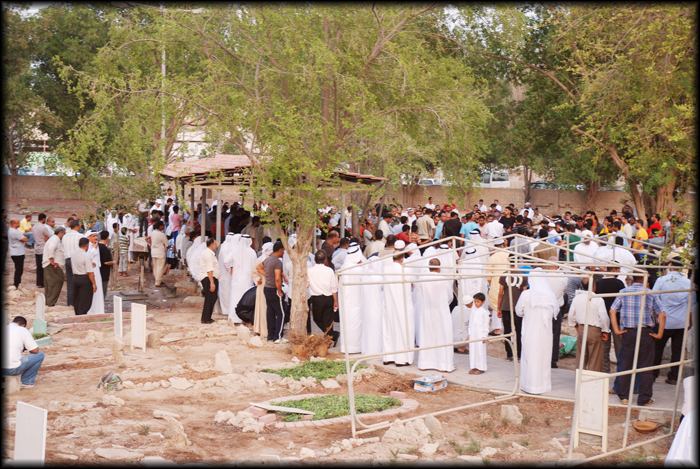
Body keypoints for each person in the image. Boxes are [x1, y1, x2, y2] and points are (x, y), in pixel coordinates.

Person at [609, 274, 666, 406]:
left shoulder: (623, 292)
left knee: (625, 363)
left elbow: (612, 311)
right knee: (646, 366)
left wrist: (617, 330)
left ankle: (624, 396)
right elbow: (662, 315)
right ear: (645, 280)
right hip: (646, 333)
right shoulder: (650, 293)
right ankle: (643, 399)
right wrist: (659, 334)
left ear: (632, 279)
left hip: (629, 332)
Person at [651, 259, 696, 385]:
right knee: (677, 350)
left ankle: (653, 374)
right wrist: (690, 321)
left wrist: (656, 315)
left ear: (670, 265)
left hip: (664, 321)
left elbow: (654, 298)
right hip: (681, 321)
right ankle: (673, 377)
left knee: (657, 348)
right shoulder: (688, 283)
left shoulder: (662, 280)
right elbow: (691, 304)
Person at [515, 270, 560, 394]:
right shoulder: (550, 295)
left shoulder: (526, 294)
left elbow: (518, 311)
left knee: (529, 357)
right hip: (545, 333)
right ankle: (543, 386)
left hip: (530, 331)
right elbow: (555, 313)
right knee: (543, 358)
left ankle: (528, 385)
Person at [416, 258, 455, 373]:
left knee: (427, 336)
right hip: (441, 311)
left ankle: (424, 363)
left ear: (429, 267)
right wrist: (443, 304)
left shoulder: (422, 279)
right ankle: (443, 365)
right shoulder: (443, 280)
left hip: (427, 310)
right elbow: (450, 297)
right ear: (439, 268)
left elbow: (419, 293)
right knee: (442, 337)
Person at [568, 279, 611, 372]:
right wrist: (605, 331)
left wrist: (575, 325)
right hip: (594, 330)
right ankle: (592, 379)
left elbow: (571, 315)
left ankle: (579, 378)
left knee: (581, 356)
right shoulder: (598, 299)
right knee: (595, 357)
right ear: (594, 286)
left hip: (582, 329)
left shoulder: (577, 298)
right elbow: (604, 317)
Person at [382, 252, 415, 367]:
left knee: (389, 329)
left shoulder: (386, 270)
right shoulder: (405, 270)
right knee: (403, 329)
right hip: (402, 304)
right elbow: (411, 284)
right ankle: (402, 359)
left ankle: (388, 357)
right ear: (402, 260)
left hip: (389, 303)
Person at [595, 265, 627, 374]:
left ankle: (605, 369)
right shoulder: (619, 284)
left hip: (602, 319)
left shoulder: (598, 283)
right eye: (618, 270)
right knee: (619, 346)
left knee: (604, 346)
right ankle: (621, 370)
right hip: (617, 319)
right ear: (614, 270)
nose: (619, 272)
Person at [497, 255, 528, 361]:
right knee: (519, 330)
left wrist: (498, 307)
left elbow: (500, 293)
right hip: (518, 307)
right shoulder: (523, 276)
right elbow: (524, 292)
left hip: (506, 306)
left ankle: (509, 354)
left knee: (507, 330)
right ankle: (519, 354)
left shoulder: (504, 275)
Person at [2, 316, 45, 389]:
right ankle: (27, 382)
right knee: (40, 354)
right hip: (10, 369)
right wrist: (24, 347)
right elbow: (35, 350)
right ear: (23, 325)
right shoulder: (22, 330)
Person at [339, 246, 365, 353]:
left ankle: (346, 347)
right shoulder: (359, 270)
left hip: (345, 302)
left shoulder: (343, 268)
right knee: (356, 324)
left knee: (347, 324)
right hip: (356, 301)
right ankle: (355, 347)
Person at [260, 242, 287, 343]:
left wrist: (267, 275)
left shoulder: (267, 259)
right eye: (283, 250)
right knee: (281, 313)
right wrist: (279, 291)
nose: (283, 252)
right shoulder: (277, 262)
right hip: (274, 289)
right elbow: (277, 278)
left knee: (270, 312)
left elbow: (259, 267)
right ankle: (277, 336)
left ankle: (270, 335)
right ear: (280, 250)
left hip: (267, 288)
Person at [227, 234, 257, 323]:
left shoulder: (235, 251)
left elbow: (226, 260)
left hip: (236, 279)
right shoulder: (252, 252)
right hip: (247, 279)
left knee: (235, 298)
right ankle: (244, 319)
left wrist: (231, 267)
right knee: (246, 300)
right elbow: (255, 266)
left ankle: (233, 318)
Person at [252, 242, 273, 336]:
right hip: (262, 285)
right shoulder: (260, 260)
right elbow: (253, 272)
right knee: (262, 307)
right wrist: (257, 279)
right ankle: (260, 329)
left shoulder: (273, 259)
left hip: (270, 285)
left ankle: (268, 329)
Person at [71, 237, 96, 315]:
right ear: (87, 245)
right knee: (85, 300)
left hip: (75, 277)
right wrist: (94, 284)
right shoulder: (86, 256)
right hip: (84, 279)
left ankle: (77, 314)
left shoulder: (73, 254)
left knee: (77, 299)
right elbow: (90, 272)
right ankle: (82, 315)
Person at [42, 226, 66, 306]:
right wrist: (52, 261)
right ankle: (50, 303)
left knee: (52, 284)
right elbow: (50, 248)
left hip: (52, 265)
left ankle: (49, 302)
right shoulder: (54, 239)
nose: (64, 235)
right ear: (60, 233)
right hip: (52, 265)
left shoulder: (55, 239)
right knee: (56, 283)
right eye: (64, 233)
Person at [468, 293, 490, 375]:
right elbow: (470, 323)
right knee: (473, 350)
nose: (476, 303)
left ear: (483, 302)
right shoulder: (473, 311)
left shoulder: (484, 312)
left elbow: (486, 325)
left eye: (478, 302)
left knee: (480, 350)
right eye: (475, 302)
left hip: (480, 334)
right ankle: (474, 366)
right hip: (473, 334)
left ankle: (481, 367)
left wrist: (484, 336)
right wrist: (469, 333)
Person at [200, 238, 220, 324]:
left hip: (209, 277)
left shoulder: (208, 252)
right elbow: (209, 269)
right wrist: (212, 282)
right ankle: (206, 318)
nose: (216, 245)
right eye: (215, 244)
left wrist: (216, 246)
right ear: (211, 244)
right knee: (210, 298)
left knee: (212, 297)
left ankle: (207, 317)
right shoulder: (208, 255)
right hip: (209, 277)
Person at [85, 231, 105, 315]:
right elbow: (87, 257)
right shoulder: (87, 246)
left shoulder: (96, 245)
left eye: (96, 236)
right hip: (91, 270)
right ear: (88, 237)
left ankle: (99, 310)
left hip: (97, 270)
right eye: (93, 236)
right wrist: (94, 249)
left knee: (98, 289)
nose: (96, 238)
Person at [31, 213, 52, 288]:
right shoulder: (43, 228)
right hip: (43, 249)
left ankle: (39, 283)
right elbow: (50, 236)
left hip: (37, 248)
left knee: (39, 267)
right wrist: (46, 237)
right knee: (45, 266)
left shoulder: (34, 227)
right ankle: (45, 282)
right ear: (44, 219)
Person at [147, 220, 169, 287]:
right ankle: (158, 282)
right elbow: (167, 244)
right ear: (160, 226)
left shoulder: (153, 233)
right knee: (160, 267)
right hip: (160, 252)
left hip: (153, 252)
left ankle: (157, 280)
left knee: (156, 267)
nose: (164, 226)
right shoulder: (162, 235)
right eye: (163, 225)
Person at [8, 218, 28, 288]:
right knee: (19, 270)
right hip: (18, 253)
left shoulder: (13, 230)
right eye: (18, 222)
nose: (20, 223)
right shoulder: (14, 232)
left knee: (19, 269)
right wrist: (25, 238)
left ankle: (17, 283)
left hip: (16, 252)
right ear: (14, 223)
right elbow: (24, 239)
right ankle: (16, 284)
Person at [98, 231, 116, 298]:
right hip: (104, 273)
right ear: (107, 238)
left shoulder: (96, 246)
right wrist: (113, 262)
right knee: (103, 292)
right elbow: (106, 262)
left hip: (97, 272)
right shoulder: (105, 249)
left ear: (100, 236)